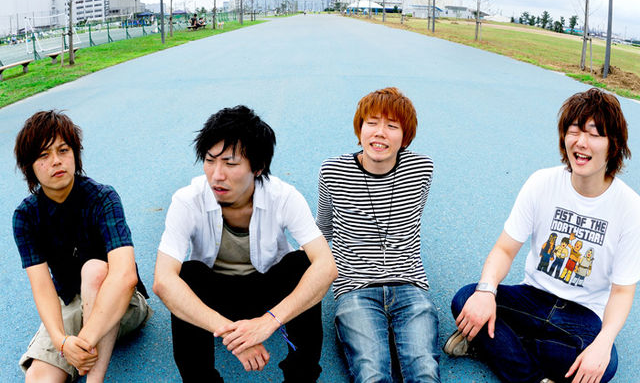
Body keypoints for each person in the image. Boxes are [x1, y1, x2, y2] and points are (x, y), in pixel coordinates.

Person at [444, 88, 640, 383]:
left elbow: (623, 291)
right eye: (574, 131)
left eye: (594, 134)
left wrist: (603, 341)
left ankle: (493, 345)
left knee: (606, 363)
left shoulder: (630, 208)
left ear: (613, 145)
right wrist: (486, 291)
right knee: (466, 298)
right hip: (532, 298)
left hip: (581, 316)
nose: (581, 142)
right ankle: (531, 374)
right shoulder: (541, 183)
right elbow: (504, 250)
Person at [153, 105, 337, 382]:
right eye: (210, 160)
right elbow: (163, 281)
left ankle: (301, 375)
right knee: (188, 275)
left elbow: (326, 266)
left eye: (230, 164)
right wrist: (234, 335)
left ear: (258, 167)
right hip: (216, 294)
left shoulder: (283, 196)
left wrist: (268, 322)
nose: (217, 174)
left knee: (301, 265)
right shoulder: (187, 200)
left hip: (266, 289)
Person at [12, 110, 151, 382]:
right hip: (70, 303)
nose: (56, 161)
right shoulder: (26, 216)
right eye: (43, 155)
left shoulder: (103, 198)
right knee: (39, 379)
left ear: (75, 154)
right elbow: (42, 288)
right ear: (29, 168)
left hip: (123, 306)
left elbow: (125, 277)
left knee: (95, 271)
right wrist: (62, 342)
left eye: (63, 150)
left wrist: (82, 343)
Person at [316, 87, 440, 383]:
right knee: (371, 371)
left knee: (424, 370)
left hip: (409, 283)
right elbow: (323, 230)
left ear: (405, 137)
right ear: (360, 130)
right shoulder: (333, 172)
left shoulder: (422, 169)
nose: (380, 132)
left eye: (392, 126)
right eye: (371, 123)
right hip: (355, 286)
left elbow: (412, 219)